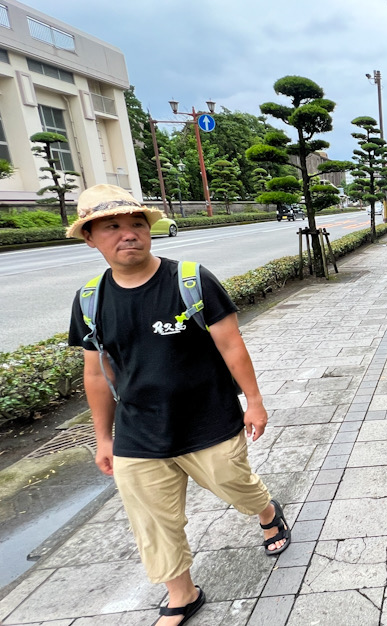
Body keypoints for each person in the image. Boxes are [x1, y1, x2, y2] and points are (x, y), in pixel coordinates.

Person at [66, 185, 290, 626]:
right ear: (90, 238)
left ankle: (266, 511)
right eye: (112, 226)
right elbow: (95, 374)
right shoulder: (90, 299)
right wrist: (103, 438)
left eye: (136, 224)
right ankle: (182, 593)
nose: (127, 234)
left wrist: (255, 402)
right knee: (152, 519)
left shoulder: (190, 280)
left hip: (209, 417)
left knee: (234, 482)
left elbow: (231, 345)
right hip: (138, 430)